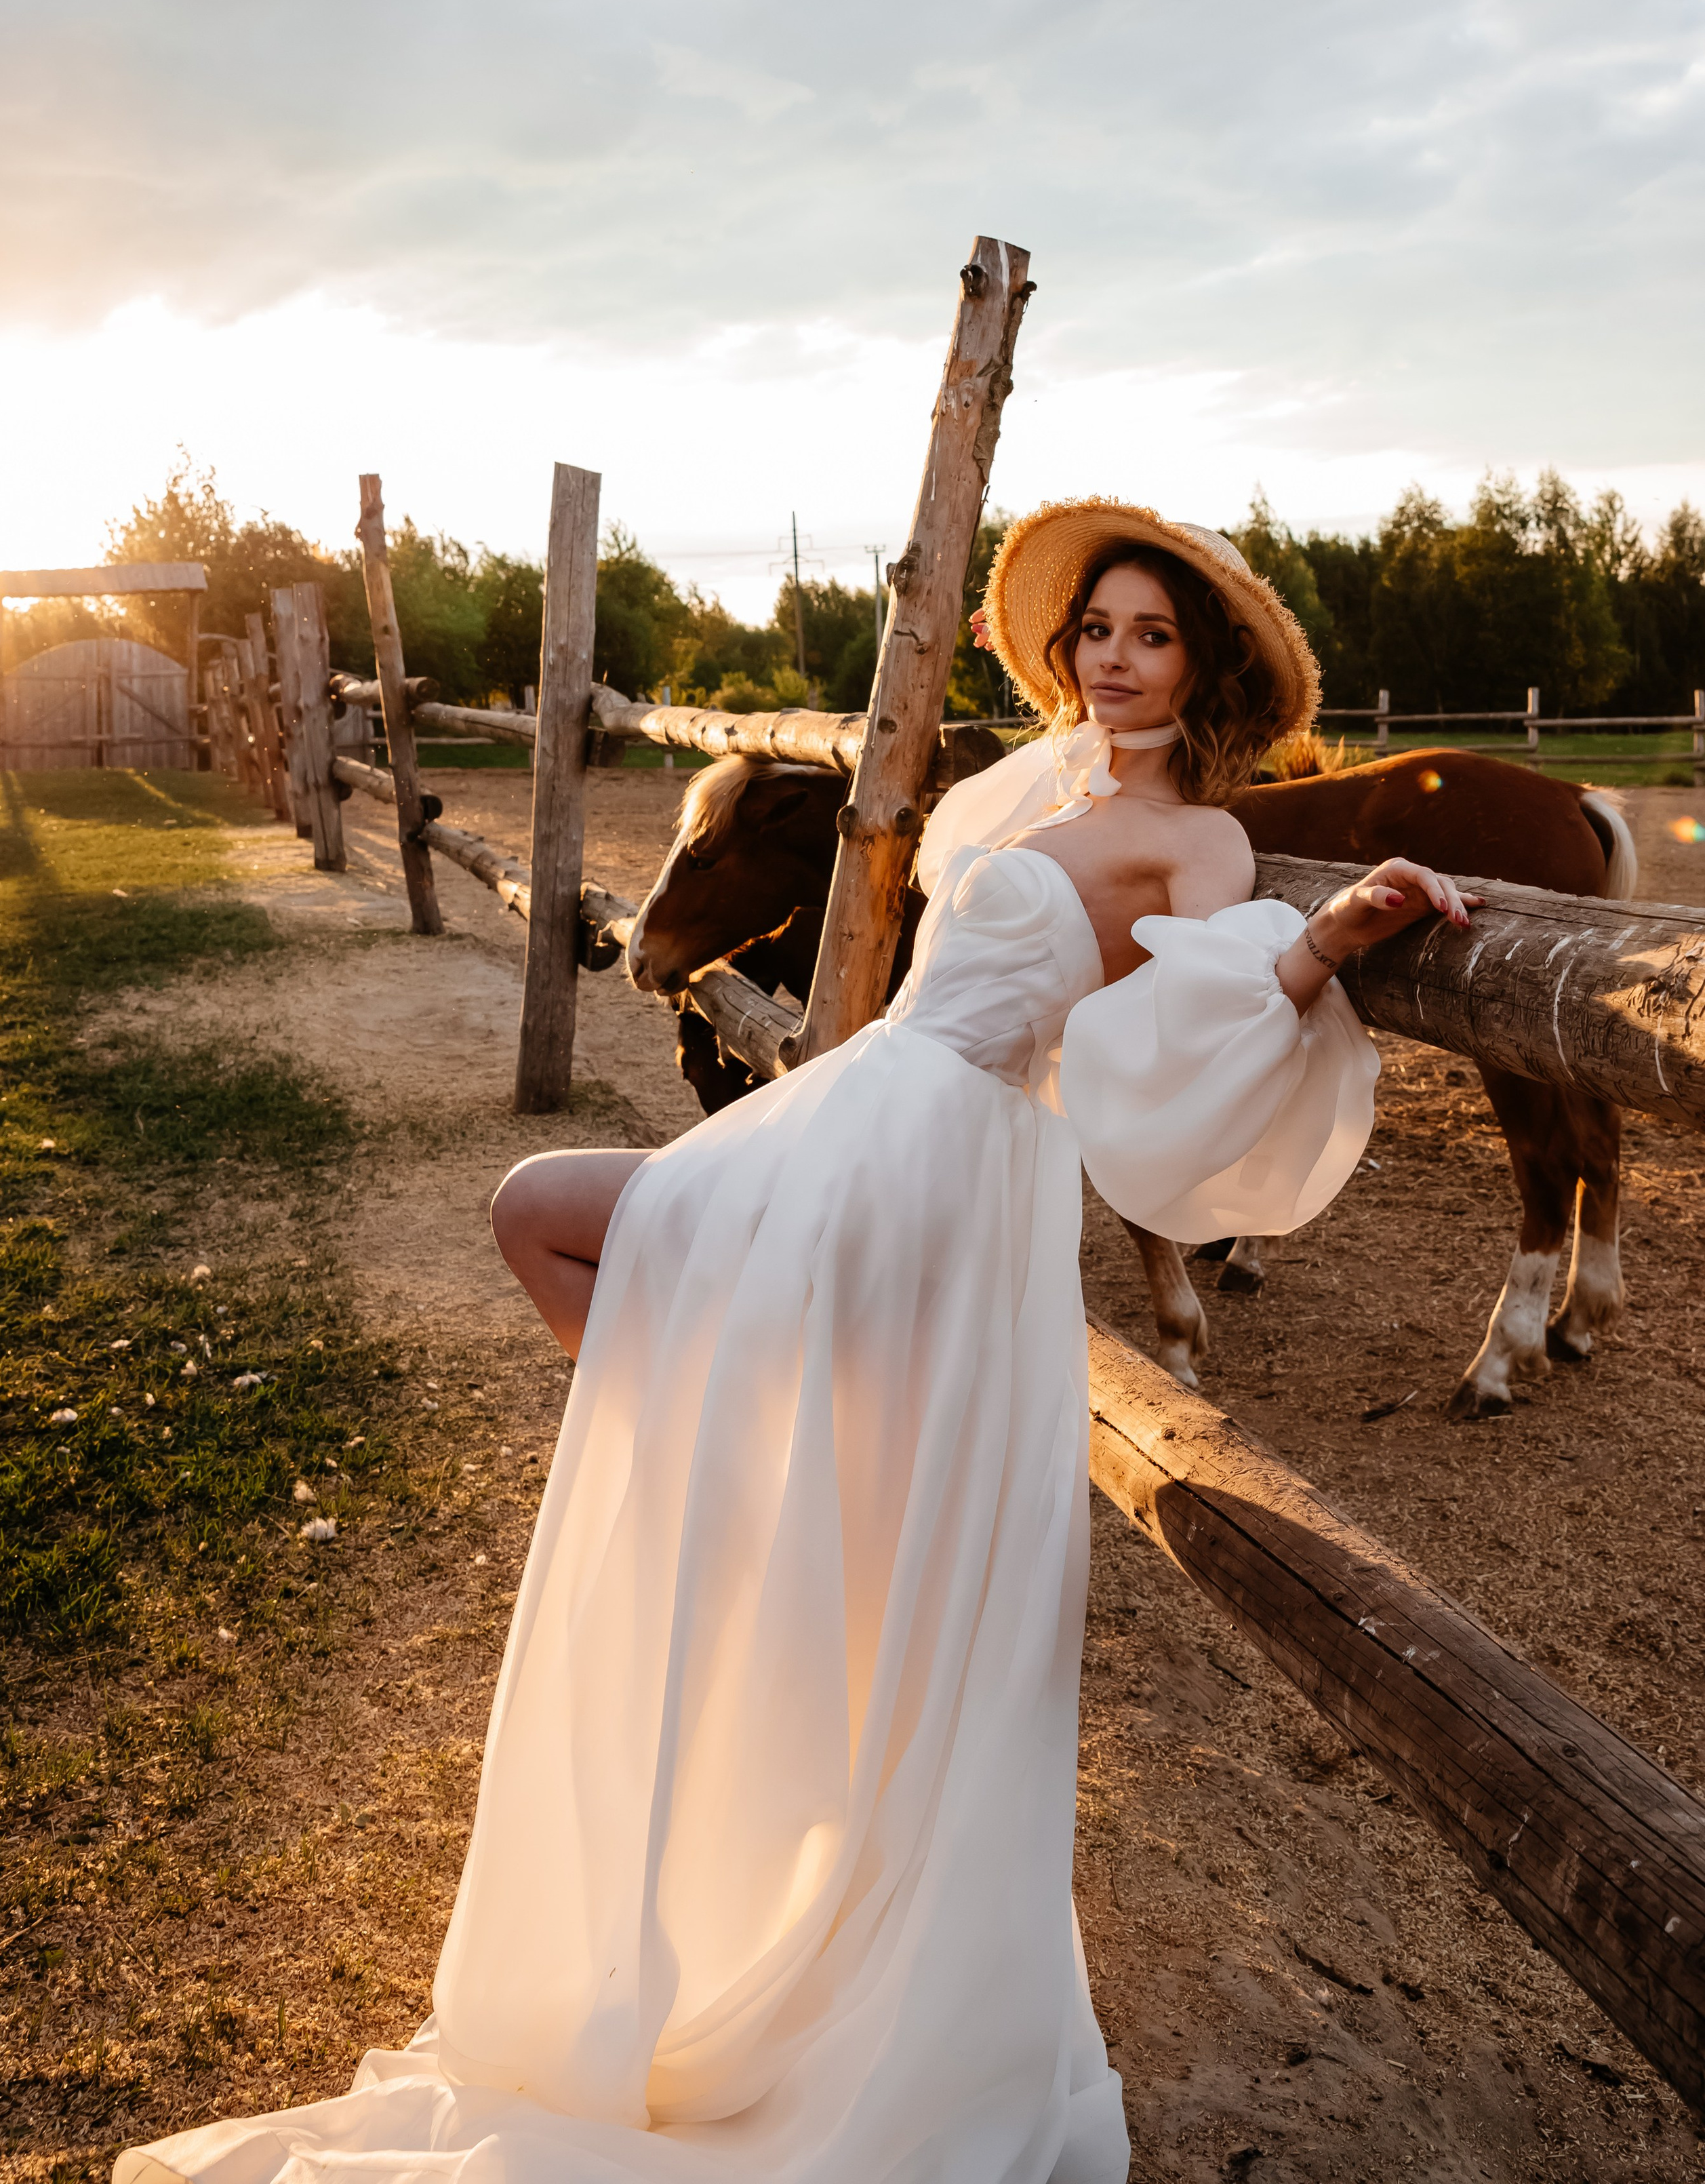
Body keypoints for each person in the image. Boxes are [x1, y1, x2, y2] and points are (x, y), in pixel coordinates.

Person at [117, 500, 1474, 2184]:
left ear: (1203, 670)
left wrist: (1326, 943)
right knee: (548, 1215)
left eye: (1150, 637)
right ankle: (744, 1536)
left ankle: (845, 1875)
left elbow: (1192, 1027)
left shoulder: (1192, 837)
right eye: (1096, 632)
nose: (1110, 661)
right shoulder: (1034, 786)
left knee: (553, 1208)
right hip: (862, 1110)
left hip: (946, 1154)